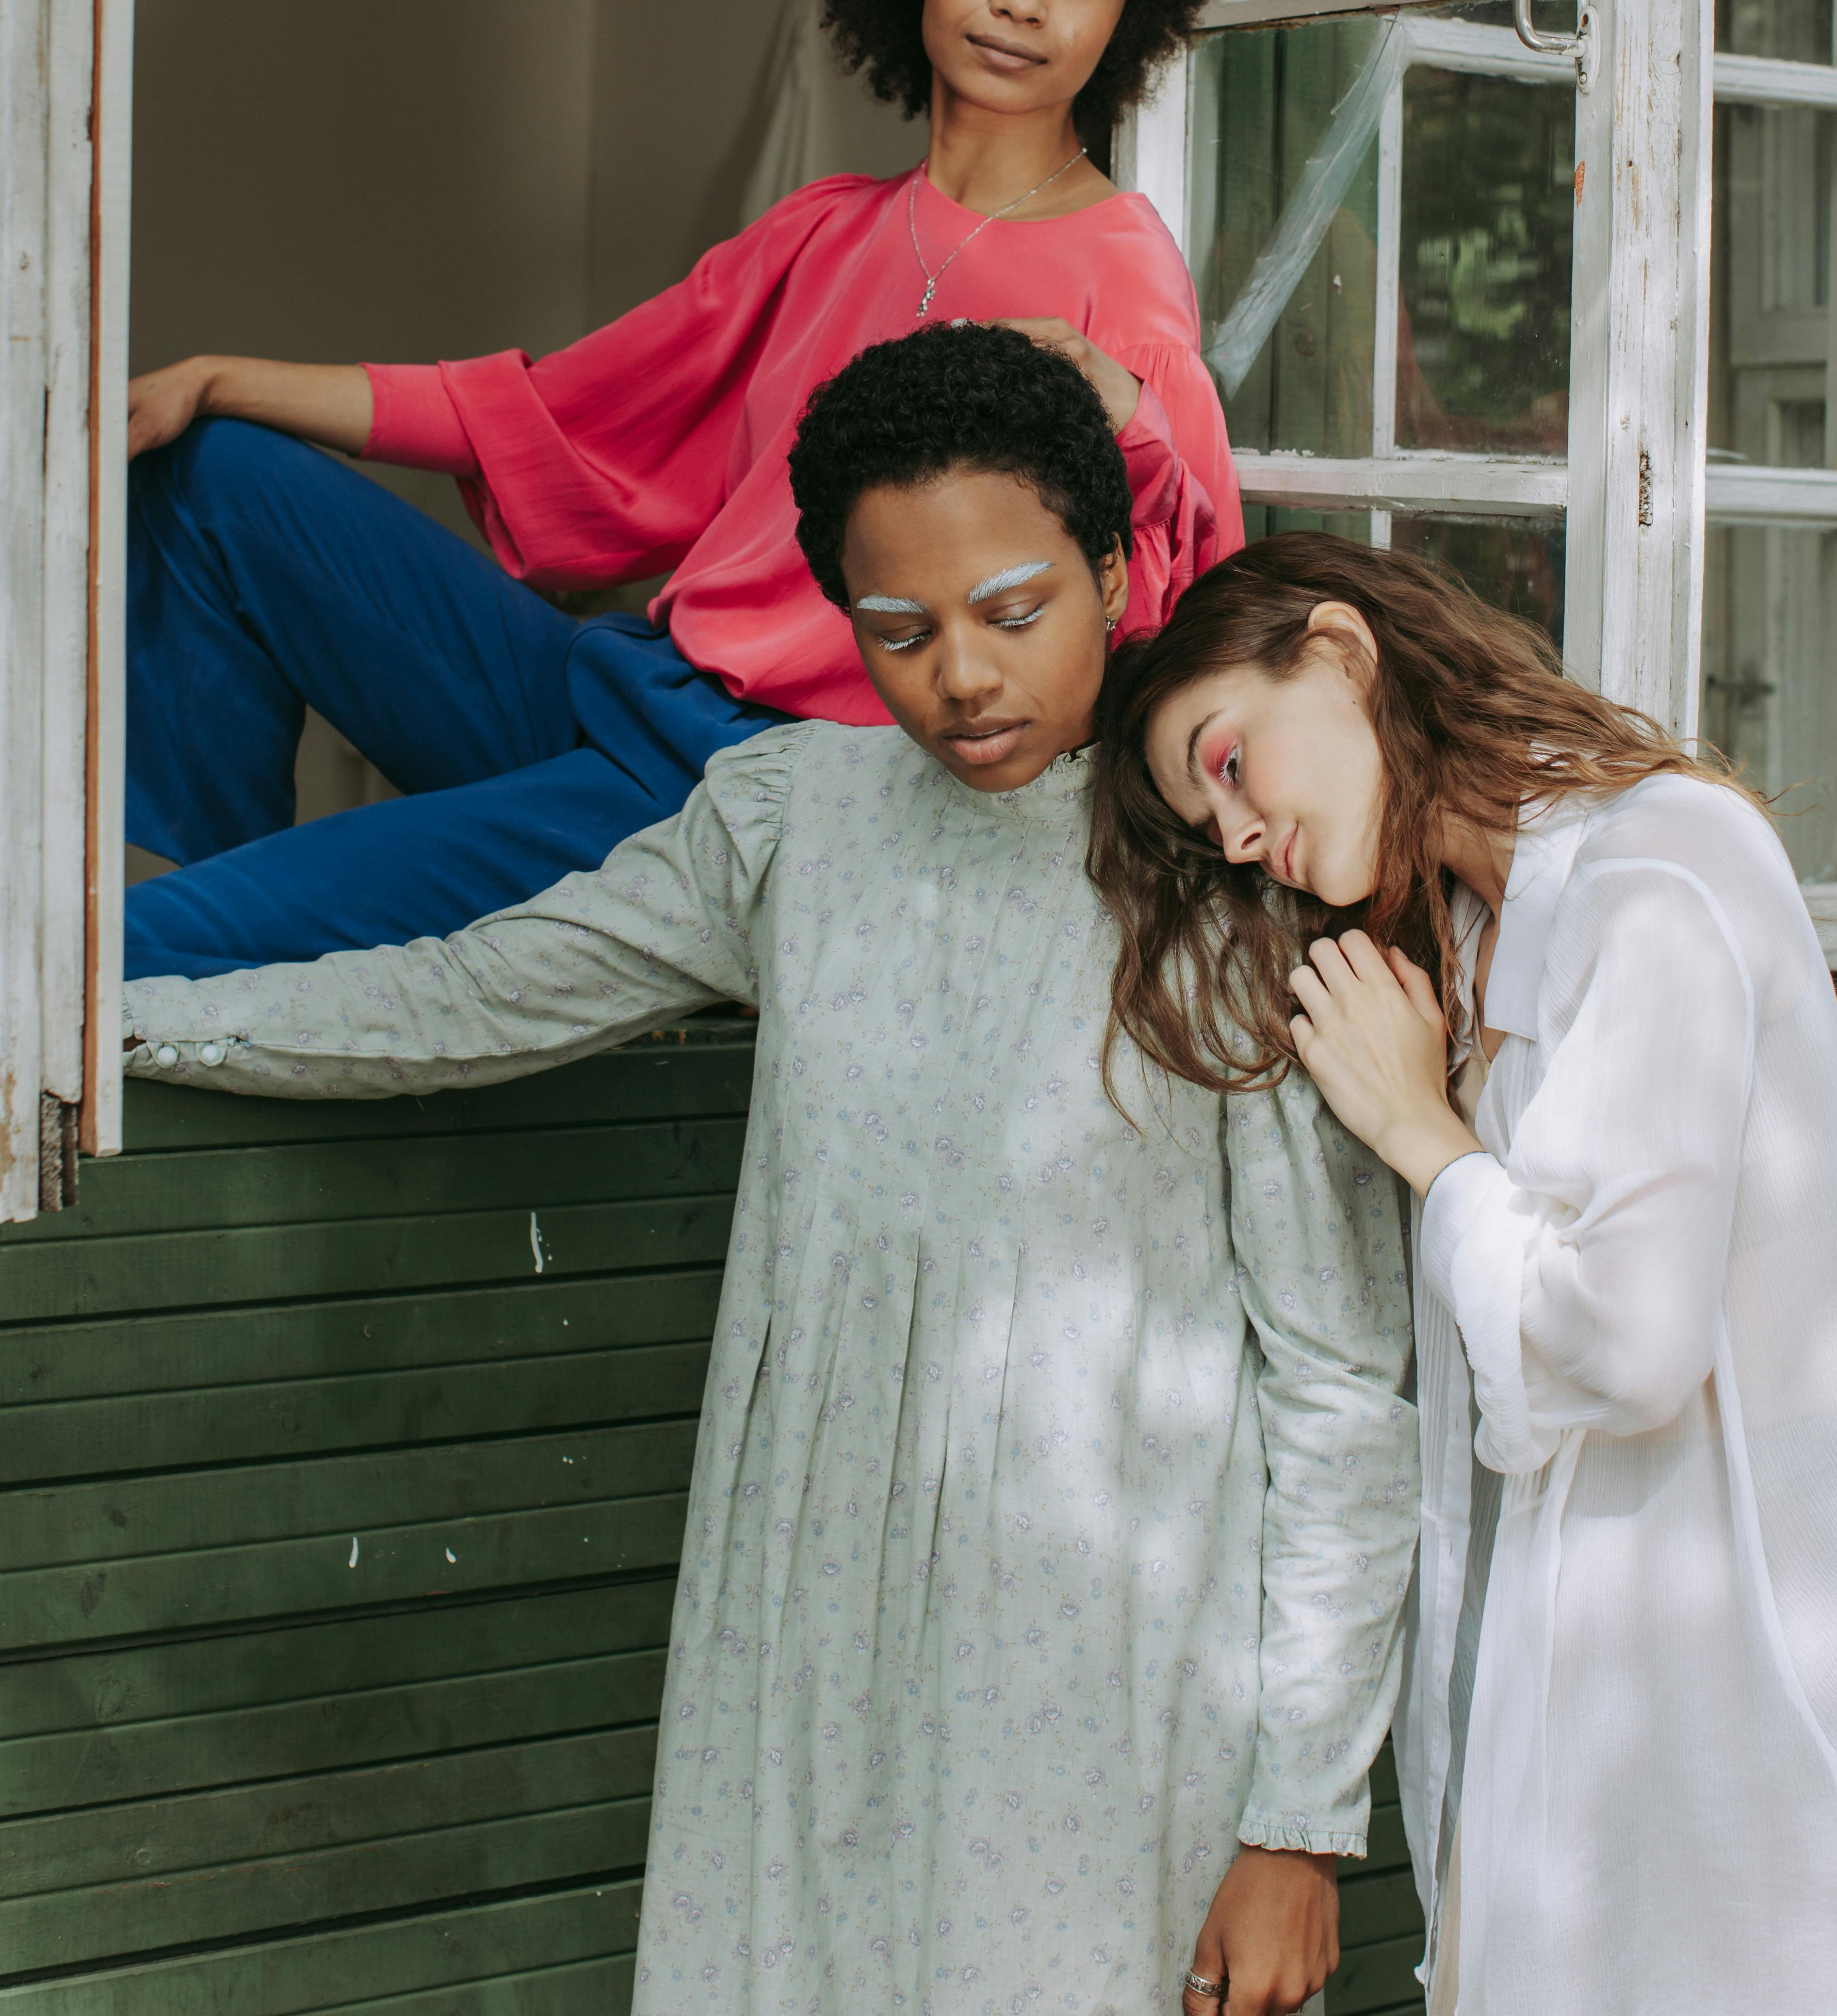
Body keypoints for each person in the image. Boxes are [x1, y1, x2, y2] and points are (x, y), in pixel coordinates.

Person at [123, 329, 1417, 2016]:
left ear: (1113, 574)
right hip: (804, 1644)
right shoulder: (789, 818)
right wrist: (118, 1027)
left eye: (1015, 611)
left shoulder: (1229, 877)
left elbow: (1339, 1384)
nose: (960, 676)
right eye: (899, 629)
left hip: (1109, 1697)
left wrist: (1298, 1829)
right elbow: (477, 985)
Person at [125, 0, 1256, 981]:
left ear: (1128, 17)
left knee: (138, 946)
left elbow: (1188, 589)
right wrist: (215, 378)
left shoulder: (1119, 270)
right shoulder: (825, 232)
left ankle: (217, 927)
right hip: (617, 691)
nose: (1024, 2)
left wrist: (1136, 421)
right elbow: (546, 417)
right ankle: (231, 874)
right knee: (213, 477)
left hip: (742, 788)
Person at [1092, 534, 1837, 2016]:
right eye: (1213, 825)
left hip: (1757, 1782)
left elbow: (1630, 1346)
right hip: (1567, 1806)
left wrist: (1425, 1140)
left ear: (1341, 649)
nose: (1241, 838)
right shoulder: (1456, 939)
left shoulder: (1659, 867)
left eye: (1232, 763)